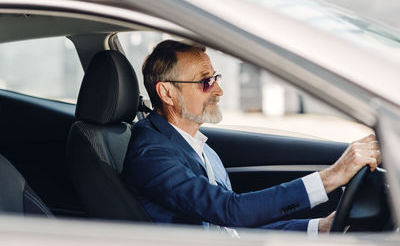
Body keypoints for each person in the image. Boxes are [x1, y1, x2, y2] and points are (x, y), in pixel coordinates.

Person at [121, 40, 380, 235]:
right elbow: (231, 211)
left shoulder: (196, 144)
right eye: (205, 82)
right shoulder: (151, 153)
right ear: (167, 93)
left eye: (216, 78)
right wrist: (333, 176)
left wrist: (318, 227)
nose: (219, 90)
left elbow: (232, 230)